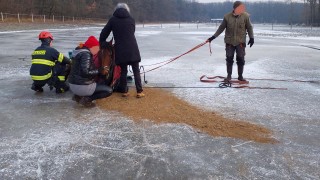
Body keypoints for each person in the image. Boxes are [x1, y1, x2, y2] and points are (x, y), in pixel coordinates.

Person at [99, 3, 144, 98]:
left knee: (123, 71)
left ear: (116, 10)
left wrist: (103, 43)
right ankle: (139, 91)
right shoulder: (131, 19)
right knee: (136, 70)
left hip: (120, 48)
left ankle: (125, 91)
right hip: (133, 48)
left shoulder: (112, 20)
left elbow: (104, 33)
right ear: (127, 10)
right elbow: (132, 31)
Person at [207, 1, 254, 81]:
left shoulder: (245, 16)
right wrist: (213, 37)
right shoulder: (227, 17)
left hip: (240, 42)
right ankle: (229, 76)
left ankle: (240, 76)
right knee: (229, 59)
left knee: (241, 59)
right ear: (235, 8)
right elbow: (221, 28)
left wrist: (251, 38)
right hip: (229, 42)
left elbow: (249, 27)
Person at [68, 36, 113, 107]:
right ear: (93, 47)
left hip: (73, 85)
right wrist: (99, 70)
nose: (98, 50)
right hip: (81, 86)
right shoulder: (86, 54)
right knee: (108, 91)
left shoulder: (78, 53)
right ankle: (87, 99)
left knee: (97, 84)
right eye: (97, 47)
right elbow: (85, 72)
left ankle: (77, 96)